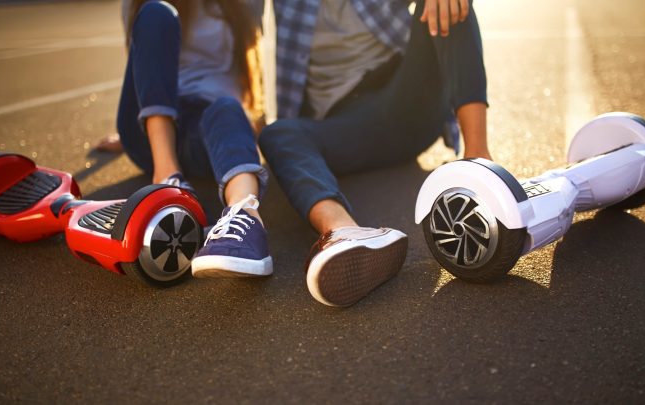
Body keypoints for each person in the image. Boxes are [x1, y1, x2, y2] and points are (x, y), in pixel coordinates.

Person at [258, 0, 491, 306]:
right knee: (278, 133)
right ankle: (343, 233)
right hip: (347, 124)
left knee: (447, 3)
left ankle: (480, 165)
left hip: (406, 99)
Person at [117, 0, 272, 277]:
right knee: (156, 12)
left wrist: (248, 128)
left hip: (208, 125)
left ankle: (244, 216)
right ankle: (166, 176)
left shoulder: (246, 4)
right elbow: (144, 64)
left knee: (227, 107)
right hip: (151, 135)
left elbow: (247, 69)